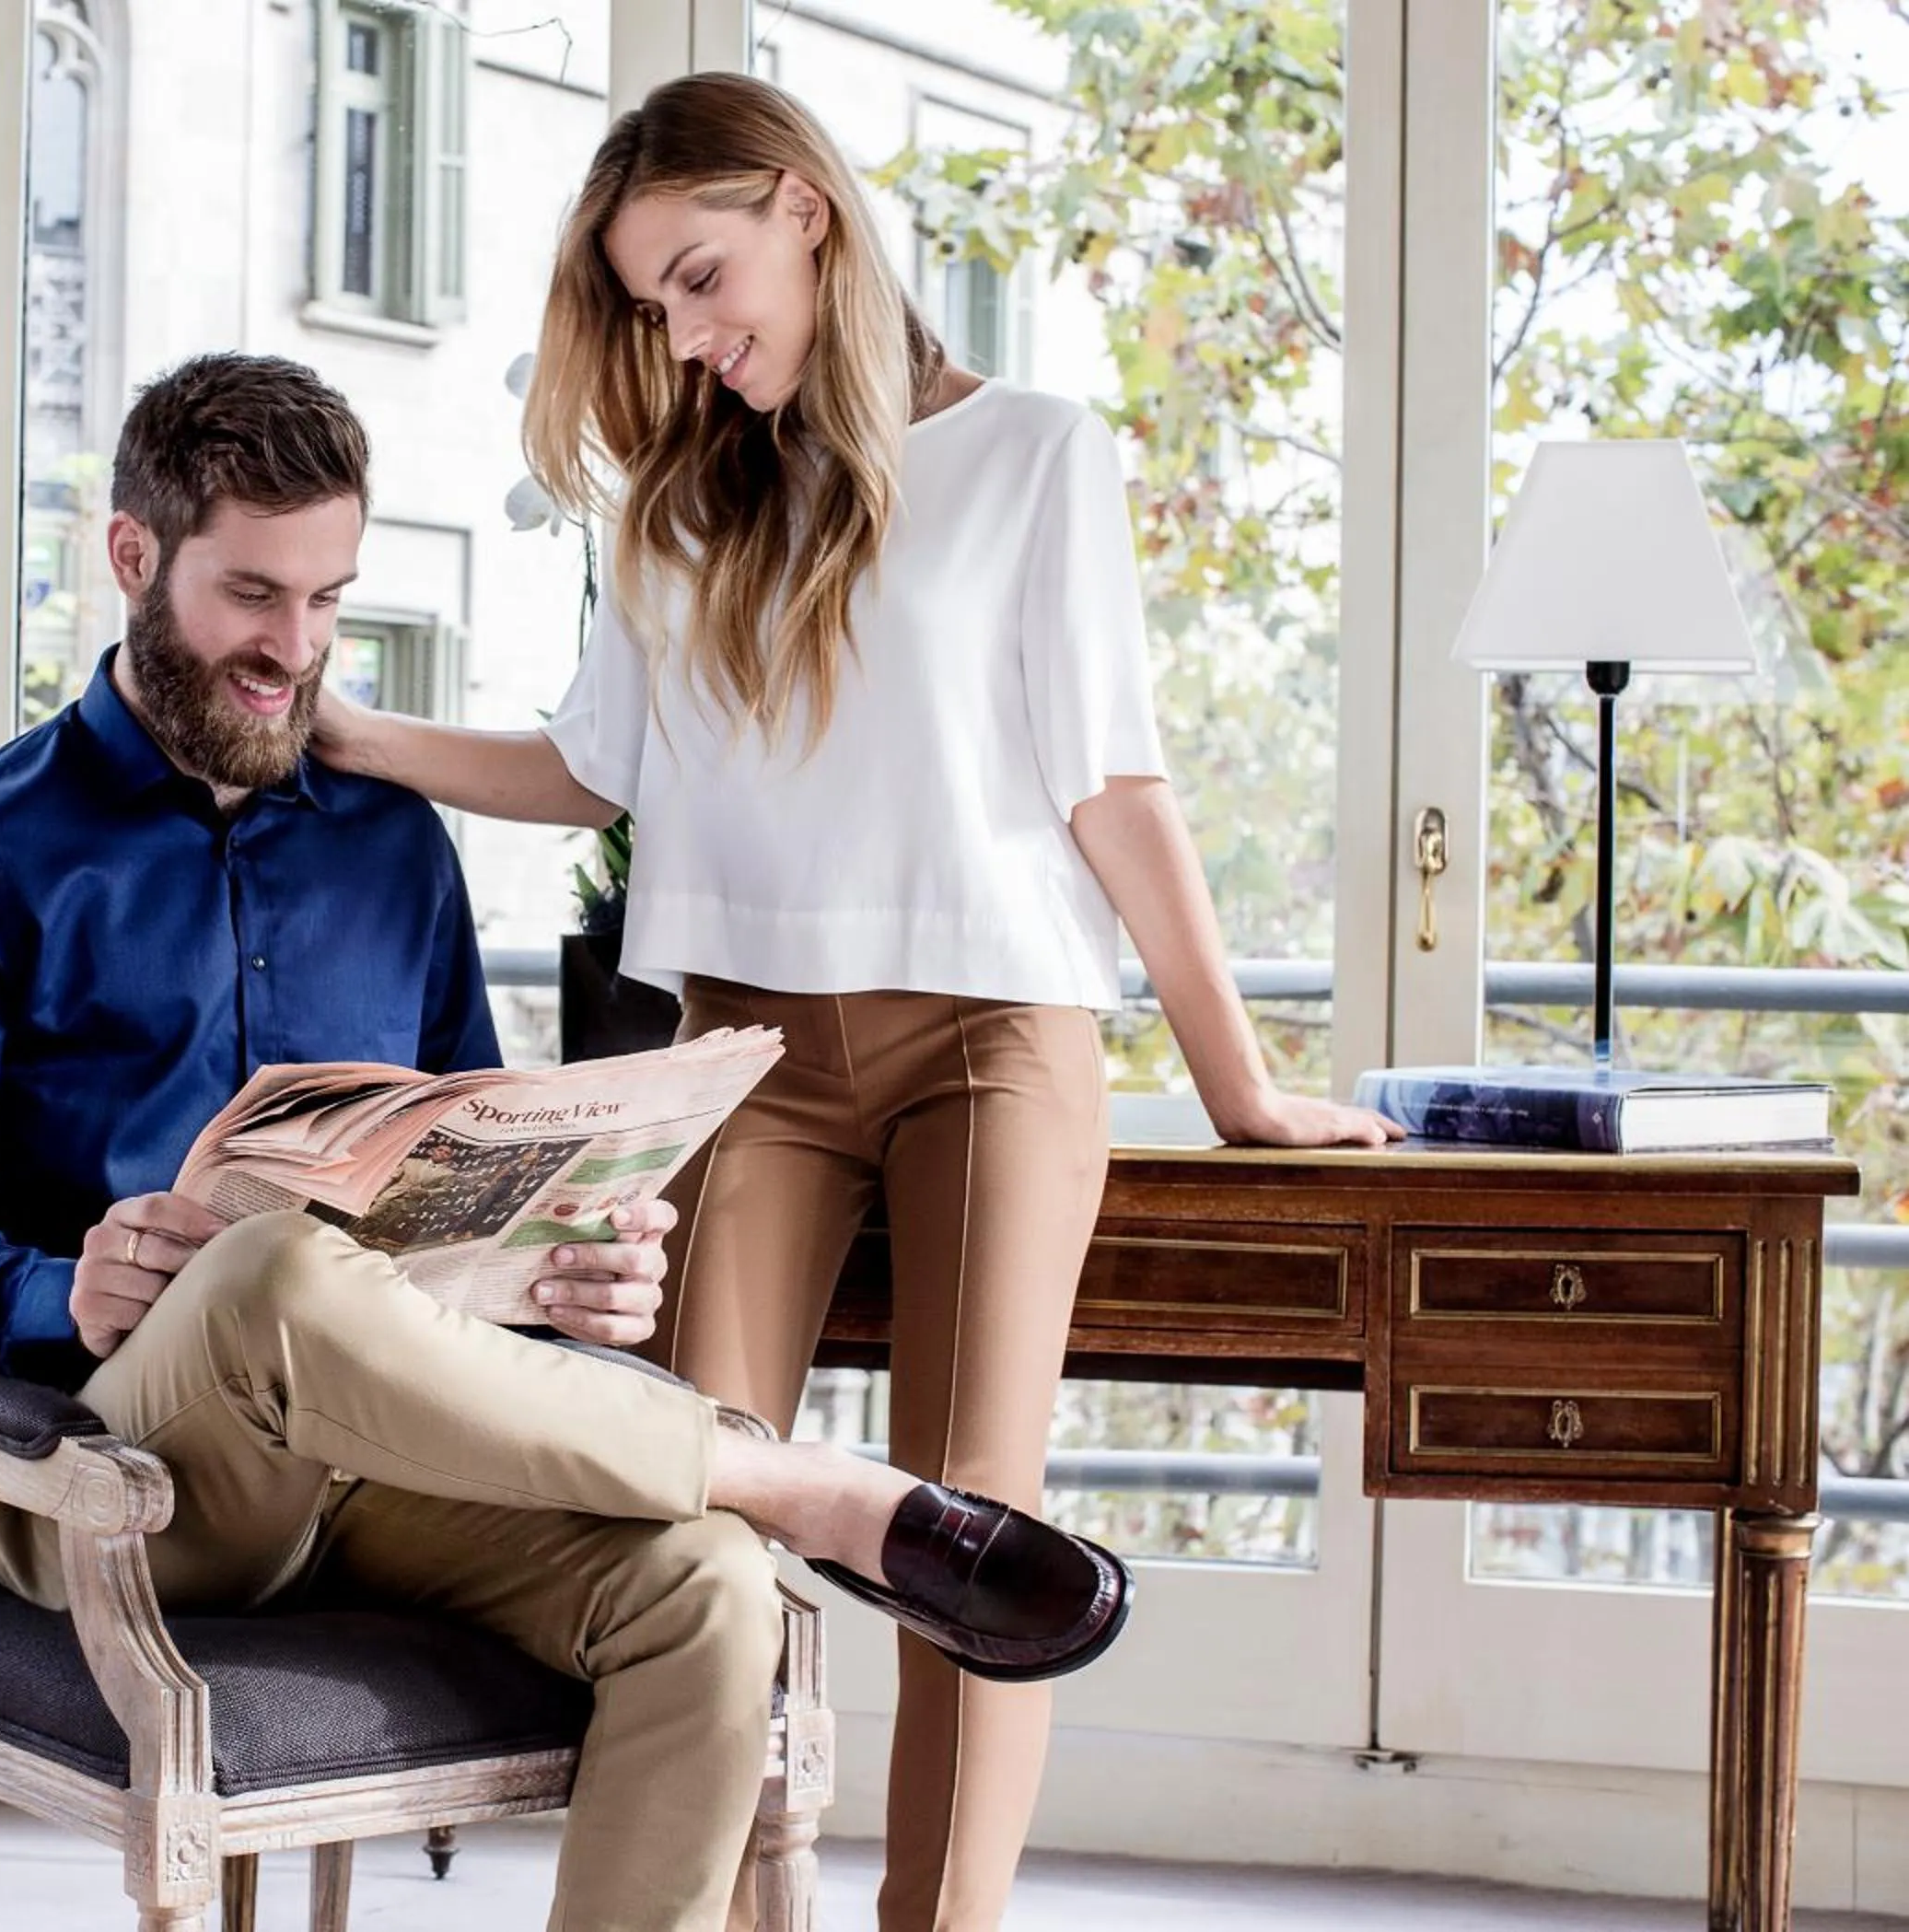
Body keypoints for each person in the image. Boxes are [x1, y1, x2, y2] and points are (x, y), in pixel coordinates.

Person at [0, 351, 1130, 1932]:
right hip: (129, 1471)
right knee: (261, 1273)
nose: (293, 651)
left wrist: (568, 1260)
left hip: (388, 1460)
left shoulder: (390, 841)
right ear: (131, 557)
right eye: (251, 594)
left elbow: (468, 1149)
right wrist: (60, 1286)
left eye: (328, 600)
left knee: (706, 1594)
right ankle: (804, 1486)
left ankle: (757, 1508)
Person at [308, 74, 1404, 1931]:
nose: (689, 329)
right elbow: (593, 767)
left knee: (975, 1514)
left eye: (705, 273)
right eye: (657, 300)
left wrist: (1242, 1088)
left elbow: (1113, 789)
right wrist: (337, 728)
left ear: (809, 207)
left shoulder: (1038, 453)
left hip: (994, 1038)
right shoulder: (673, 508)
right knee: (704, 1488)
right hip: (743, 1054)